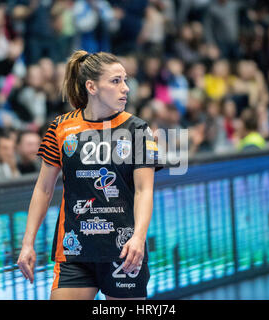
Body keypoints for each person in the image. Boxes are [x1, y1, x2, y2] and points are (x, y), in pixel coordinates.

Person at [17, 50, 162, 300]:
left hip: (124, 251)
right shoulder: (61, 128)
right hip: (74, 250)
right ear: (91, 86)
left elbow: (144, 190)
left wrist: (139, 238)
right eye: (116, 81)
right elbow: (43, 189)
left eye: (125, 80)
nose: (125, 88)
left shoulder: (138, 129)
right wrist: (27, 243)